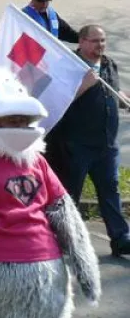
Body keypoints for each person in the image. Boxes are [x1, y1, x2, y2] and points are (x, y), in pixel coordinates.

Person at [56, 25, 130, 256]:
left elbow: (113, 90)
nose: (100, 45)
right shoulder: (70, 66)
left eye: (103, 40)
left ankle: (120, 238)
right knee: (70, 195)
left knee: (111, 192)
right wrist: (84, 85)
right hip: (77, 144)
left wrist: (123, 99)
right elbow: (58, 101)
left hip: (106, 145)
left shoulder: (108, 64)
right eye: (95, 41)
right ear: (81, 42)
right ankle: (65, 241)